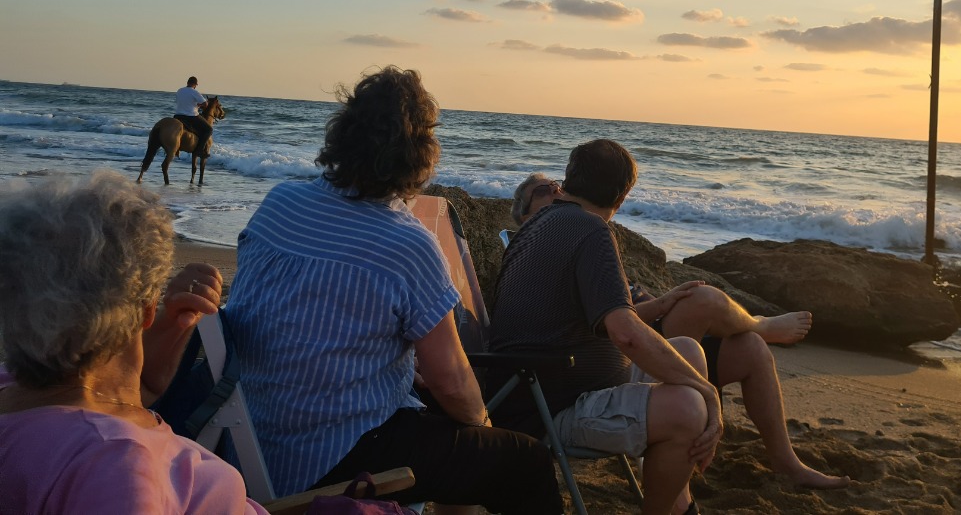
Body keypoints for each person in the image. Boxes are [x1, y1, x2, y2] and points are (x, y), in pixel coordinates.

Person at [223, 66, 562, 513]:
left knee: (439, 420)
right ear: (421, 152)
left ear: (342, 134)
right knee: (525, 462)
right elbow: (453, 380)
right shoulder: (405, 241)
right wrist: (483, 425)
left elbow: (297, 314)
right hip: (333, 455)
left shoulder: (281, 202)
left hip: (249, 436)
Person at [512, 172, 850, 491]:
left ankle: (786, 461)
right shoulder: (538, 253)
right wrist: (662, 305)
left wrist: (661, 301)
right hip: (633, 343)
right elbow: (614, 326)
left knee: (751, 350)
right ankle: (763, 325)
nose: (556, 191)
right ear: (525, 219)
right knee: (701, 300)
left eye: (557, 184)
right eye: (542, 191)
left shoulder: (583, 234)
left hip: (652, 331)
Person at [0, 170, 264, 514]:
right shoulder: (111, 460)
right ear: (145, 310)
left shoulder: (14, 387)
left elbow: (84, 403)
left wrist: (157, 349)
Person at [489, 141, 723, 515]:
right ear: (623, 195)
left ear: (569, 180)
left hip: (531, 388)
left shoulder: (538, 225)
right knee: (689, 408)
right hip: (549, 411)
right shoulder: (591, 230)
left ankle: (678, 501)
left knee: (689, 352)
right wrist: (709, 393)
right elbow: (624, 331)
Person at [174, 76, 213, 158]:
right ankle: (199, 150)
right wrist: (200, 105)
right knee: (209, 129)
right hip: (190, 116)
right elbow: (205, 104)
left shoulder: (179, 90)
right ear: (195, 85)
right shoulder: (194, 92)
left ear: (187, 83)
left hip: (177, 116)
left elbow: (182, 102)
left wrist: (196, 105)